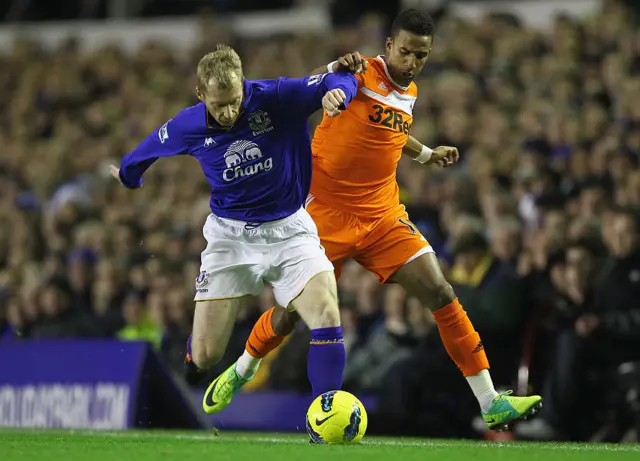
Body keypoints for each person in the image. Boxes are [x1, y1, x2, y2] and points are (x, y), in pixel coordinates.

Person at [206, 10, 542, 431]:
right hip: (324, 214)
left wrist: (426, 154)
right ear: (388, 47)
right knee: (291, 313)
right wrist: (329, 82)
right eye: (404, 51)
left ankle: (490, 401)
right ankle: (243, 368)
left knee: (440, 291)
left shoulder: (411, 90)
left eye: (420, 55)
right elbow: (310, 85)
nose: (411, 62)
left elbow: (393, 131)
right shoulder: (360, 70)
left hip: (382, 215)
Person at [110, 44, 360, 408]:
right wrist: (129, 177)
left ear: (243, 85)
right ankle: (197, 360)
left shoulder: (275, 97)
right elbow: (145, 152)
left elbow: (336, 78)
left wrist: (341, 92)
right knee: (207, 355)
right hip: (230, 239)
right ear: (200, 94)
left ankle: (326, 413)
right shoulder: (188, 124)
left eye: (234, 101)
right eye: (217, 105)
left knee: (325, 312)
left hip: (291, 230)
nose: (228, 112)